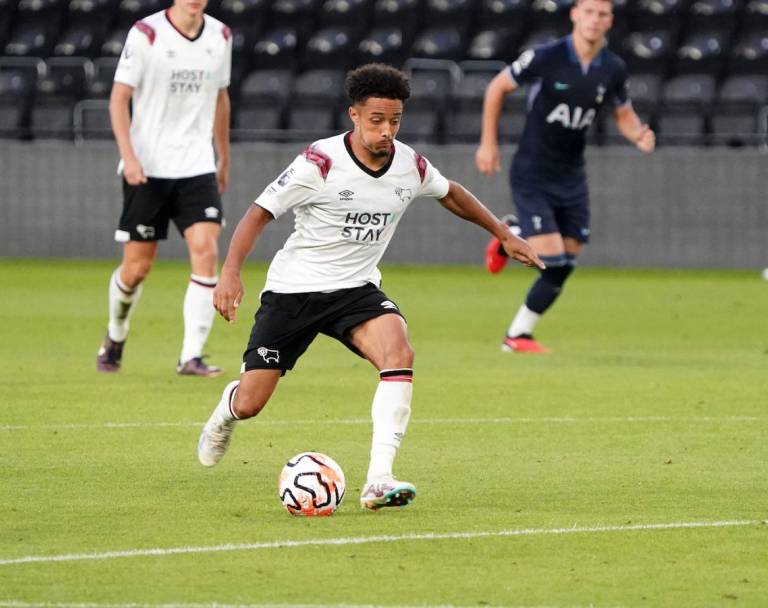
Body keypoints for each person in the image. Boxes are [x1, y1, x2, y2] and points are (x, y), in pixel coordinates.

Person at [196, 63, 544, 511]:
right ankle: (227, 410)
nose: (386, 131)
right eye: (376, 120)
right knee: (251, 402)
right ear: (354, 115)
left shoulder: (410, 165)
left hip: (356, 290)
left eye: (394, 121)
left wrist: (503, 233)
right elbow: (259, 212)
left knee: (399, 353)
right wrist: (230, 273)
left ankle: (379, 479)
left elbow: (451, 192)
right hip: (294, 292)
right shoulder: (318, 163)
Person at [475, 0, 655, 354]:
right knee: (552, 257)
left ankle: (517, 336)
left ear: (610, 21)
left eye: (602, 14)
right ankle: (511, 234)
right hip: (533, 170)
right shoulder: (547, 56)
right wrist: (487, 143)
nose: (594, 19)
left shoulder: (613, 68)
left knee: (563, 266)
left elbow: (624, 114)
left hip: (572, 175)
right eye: (588, 11)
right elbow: (496, 88)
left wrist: (638, 134)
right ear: (575, 14)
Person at [96, 0, 232, 376]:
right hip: (148, 169)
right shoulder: (146, 33)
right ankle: (116, 332)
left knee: (206, 250)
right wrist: (130, 156)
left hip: (196, 166)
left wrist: (223, 156)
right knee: (137, 268)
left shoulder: (221, 36)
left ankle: (191, 355)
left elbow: (221, 97)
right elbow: (118, 99)